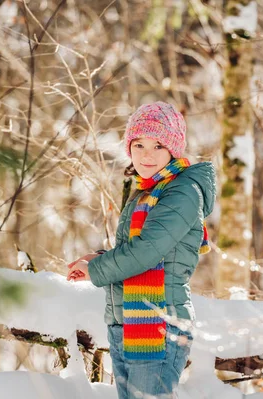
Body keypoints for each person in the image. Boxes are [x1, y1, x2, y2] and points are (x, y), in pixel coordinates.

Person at [66, 101, 216, 399]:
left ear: (173, 149)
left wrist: (96, 270)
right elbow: (135, 248)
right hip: (126, 323)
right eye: (139, 144)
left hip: (160, 325)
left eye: (158, 145)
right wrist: (96, 258)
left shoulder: (182, 191)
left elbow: (147, 251)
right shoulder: (145, 190)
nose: (147, 154)